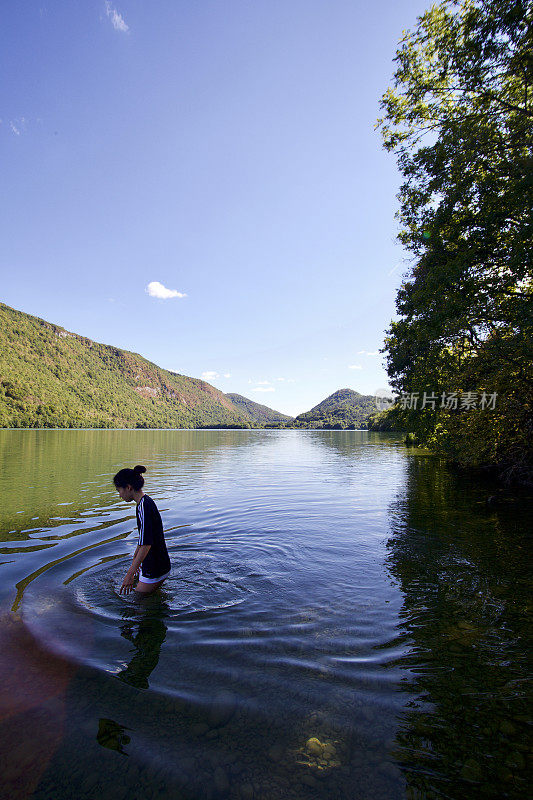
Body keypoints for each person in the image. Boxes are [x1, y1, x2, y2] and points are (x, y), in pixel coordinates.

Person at [113, 465, 171, 595]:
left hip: (155, 567)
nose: (119, 495)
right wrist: (136, 557)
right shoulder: (146, 502)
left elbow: (146, 543)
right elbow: (145, 537)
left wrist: (130, 574)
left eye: (119, 491)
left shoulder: (143, 507)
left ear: (128, 487)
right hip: (161, 562)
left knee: (138, 604)